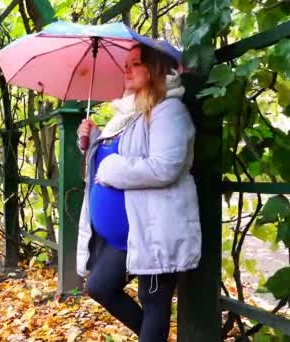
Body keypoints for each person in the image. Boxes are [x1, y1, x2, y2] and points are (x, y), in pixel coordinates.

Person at [76, 43, 201, 341]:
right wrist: (92, 142)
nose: (126, 69)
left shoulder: (169, 110)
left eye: (136, 63)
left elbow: (163, 167)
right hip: (128, 236)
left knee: (154, 300)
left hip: (153, 230)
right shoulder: (128, 114)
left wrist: (110, 167)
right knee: (99, 286)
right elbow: (109, 163)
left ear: (155, 68)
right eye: (126, 63)